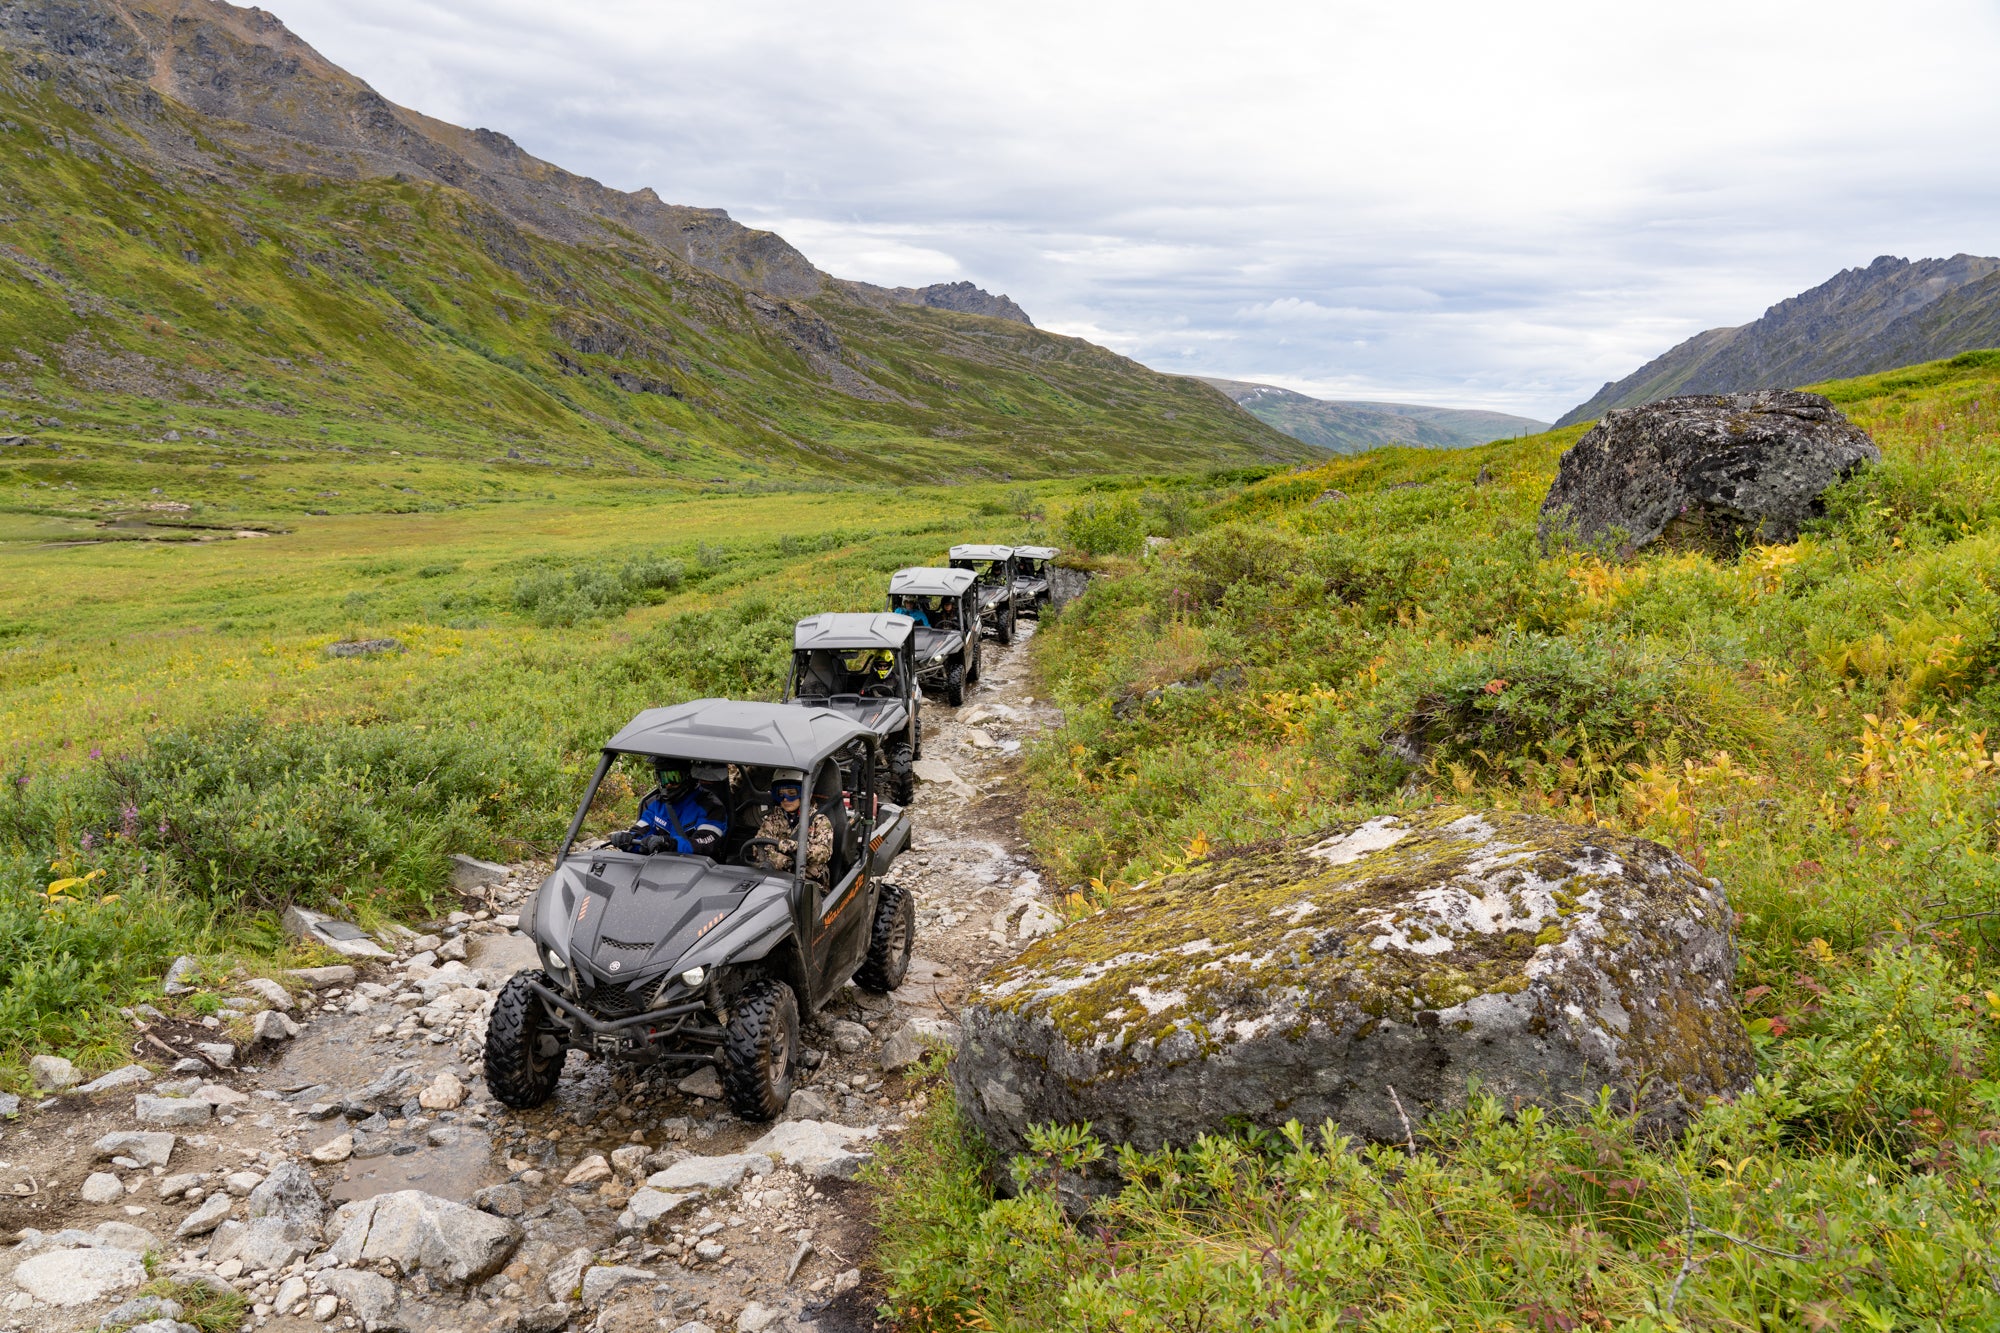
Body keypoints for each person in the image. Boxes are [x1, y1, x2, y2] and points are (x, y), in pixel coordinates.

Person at [608, 759, 728, 857]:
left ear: (688, 777)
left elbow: (705, 845)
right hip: (659, 868)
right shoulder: (655, 804)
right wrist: (627, 840)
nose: (668, 784)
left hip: (699, 873)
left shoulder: (711, 807)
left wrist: (670, 844)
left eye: (673, 777)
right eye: (663, 779)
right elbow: (640, 833)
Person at [751, 769, 833, 888]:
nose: (785, 799)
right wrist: (786, 863)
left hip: (811, 885)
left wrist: (795, 847)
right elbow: (759, 848)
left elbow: (824, 853)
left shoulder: (819, 821)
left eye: (792, 793)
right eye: (781, 794)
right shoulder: (772, 820)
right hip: (776, 880)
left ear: (803, 794)